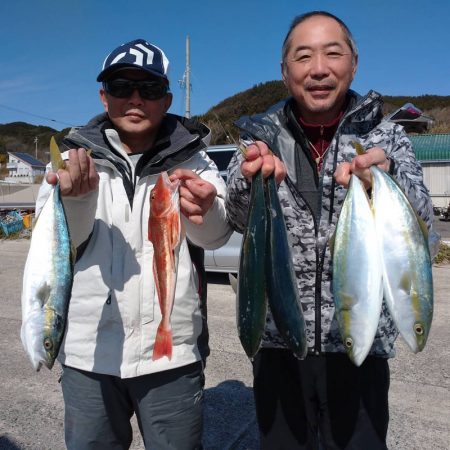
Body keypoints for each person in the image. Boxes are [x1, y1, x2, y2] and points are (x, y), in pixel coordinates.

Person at [225, 11, 434, 450]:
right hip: (278, 342)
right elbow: (238, 218)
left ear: (354, 63)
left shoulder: (387, 136)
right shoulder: (258, 135)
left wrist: (388, 178)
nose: (318, 68)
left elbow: (423, 228)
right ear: (285, 73)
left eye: (332, 53)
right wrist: (249, 177)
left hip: (359, 344)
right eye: (303, 56)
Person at [35, 38, 232, 449]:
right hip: (88, 355)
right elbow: (52, 247)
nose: (136, 99)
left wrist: (206, 209)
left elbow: (214, 235)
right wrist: (77, 201)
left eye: (150, 89)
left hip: (174, 353)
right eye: (122, 87)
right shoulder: (74, 160)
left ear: (168, 99)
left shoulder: (195, 159)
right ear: (104, 98)